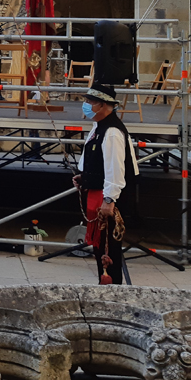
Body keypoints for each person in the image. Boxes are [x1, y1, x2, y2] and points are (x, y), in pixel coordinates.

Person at [74, 82, 139, 285]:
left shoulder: (111, 132)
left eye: (90, 101)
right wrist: (84, 176)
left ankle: (112, 290)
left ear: (103, 105)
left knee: (108, 250)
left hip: (109, 197)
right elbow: (94, 158)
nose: (86, 105)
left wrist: (109, 200)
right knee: (99, 247)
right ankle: (106, 288)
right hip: (97, 190)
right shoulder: (99, 126)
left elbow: (115, 169)